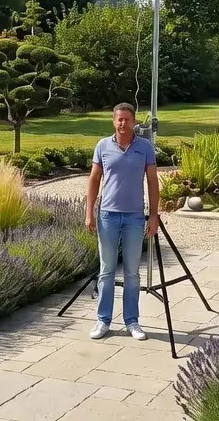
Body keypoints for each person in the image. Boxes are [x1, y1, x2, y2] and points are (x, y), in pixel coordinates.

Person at [85, 102, 159, 340]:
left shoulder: (145, 147)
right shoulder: (103, 146)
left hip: (135, 217)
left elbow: (152, 182)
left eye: (127, 119)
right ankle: (103, 320)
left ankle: (132, 321)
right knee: (106, 271)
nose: (123, 123)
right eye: (119, 119)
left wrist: (154, 214)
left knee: (132, 273)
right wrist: (89, 213)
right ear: (113, 121)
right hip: (107, 215)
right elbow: (94, 180)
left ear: (134, 121)